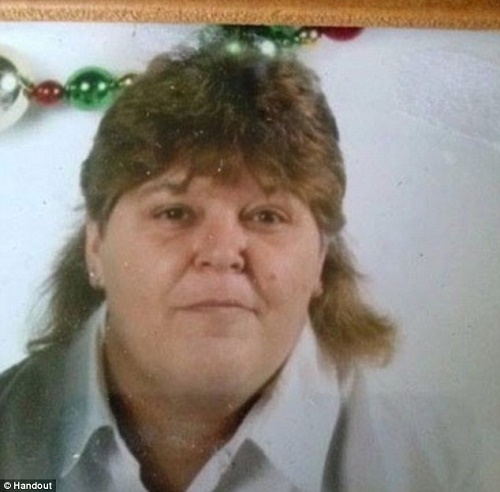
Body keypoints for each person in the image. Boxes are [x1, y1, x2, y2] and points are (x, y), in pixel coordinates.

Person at [0, 39, 480, 491]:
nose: (221, 252)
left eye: (267, 216)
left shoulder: (443, 467)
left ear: (320, 259)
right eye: (174, 213)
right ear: (95, 245)